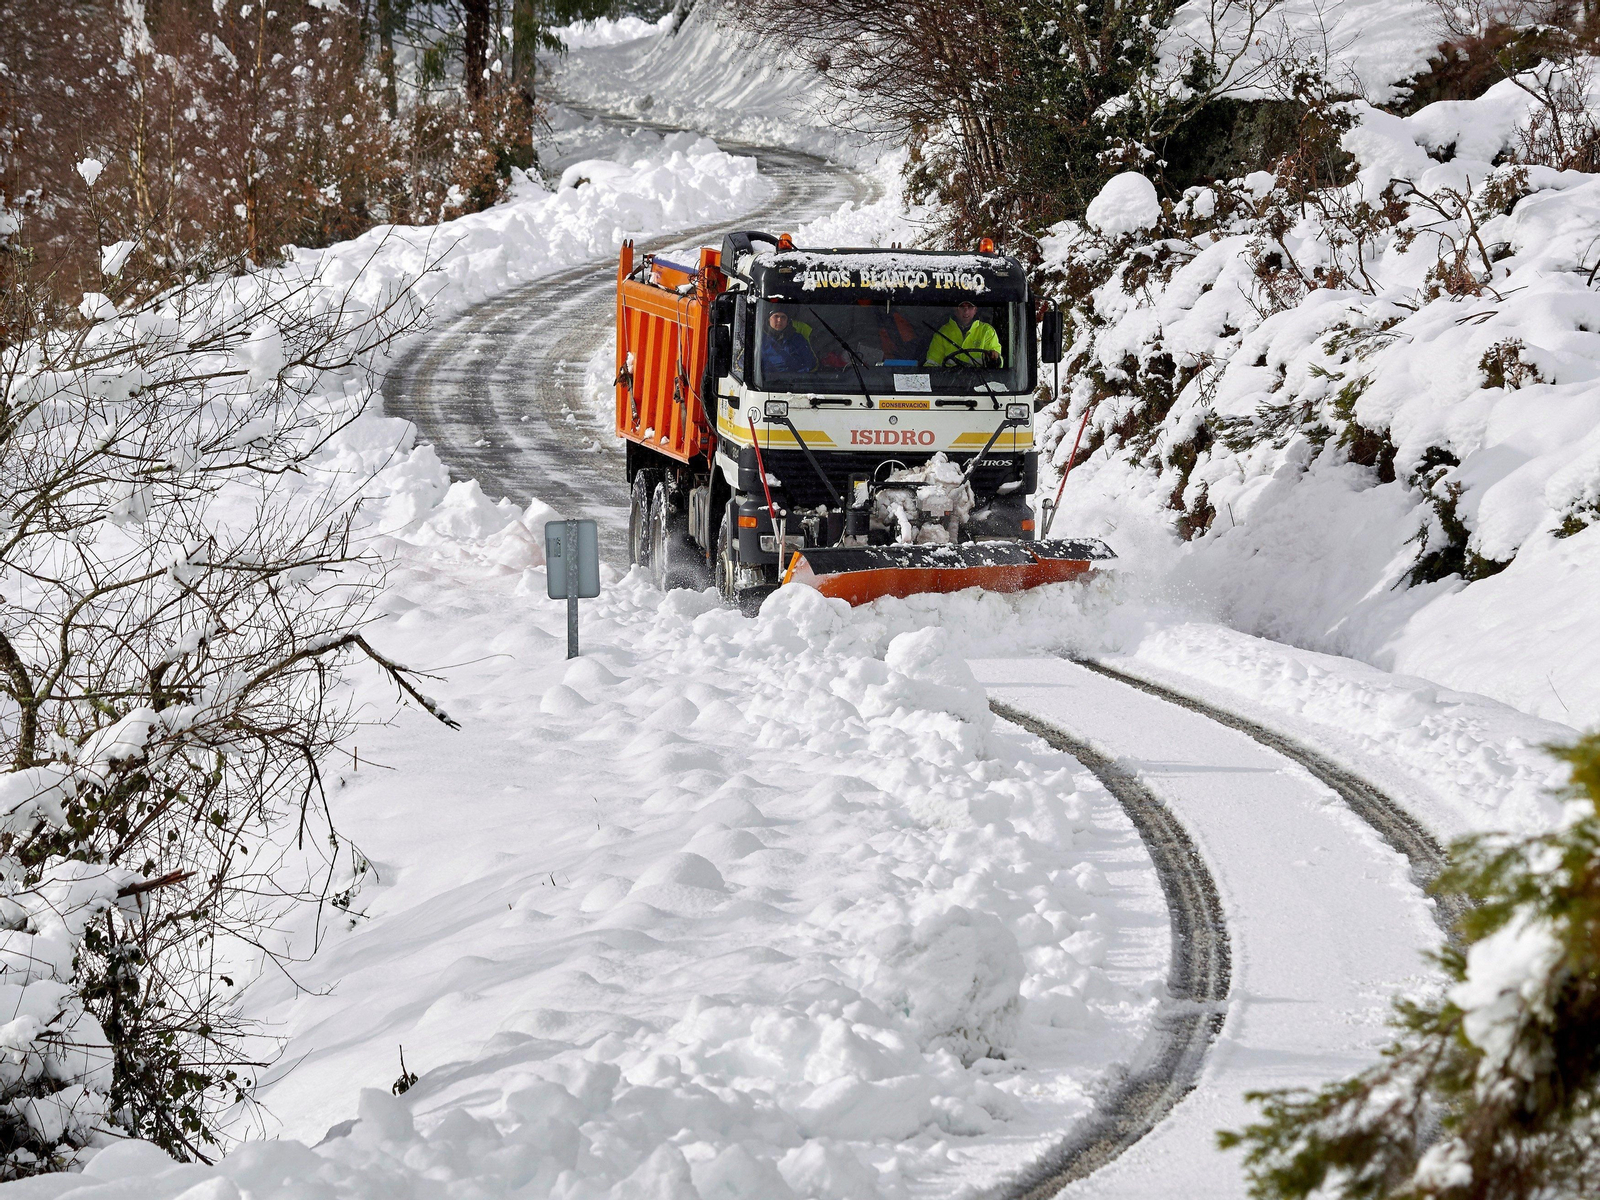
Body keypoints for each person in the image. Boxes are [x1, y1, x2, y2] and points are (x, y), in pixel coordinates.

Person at [926, 300, 1002, 368]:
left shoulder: (987, 331)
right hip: (949, 382)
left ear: (975, 310)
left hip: (981, 382)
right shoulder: (942, 332)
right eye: (962, 307)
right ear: (955, 310)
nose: (966, 311)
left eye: (970, 307)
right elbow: (932, 364)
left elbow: (996, 365)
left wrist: (995, 358)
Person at [760, 307, 816, 375]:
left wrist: (795, 376)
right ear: (769, 319)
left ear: (787, 321)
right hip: (767, 382)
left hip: (796, 382)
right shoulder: (759, 340)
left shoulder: (797, 339)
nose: (779, 320)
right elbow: (747, 364)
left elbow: (810, 363)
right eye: (776, 316)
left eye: (783, 317)